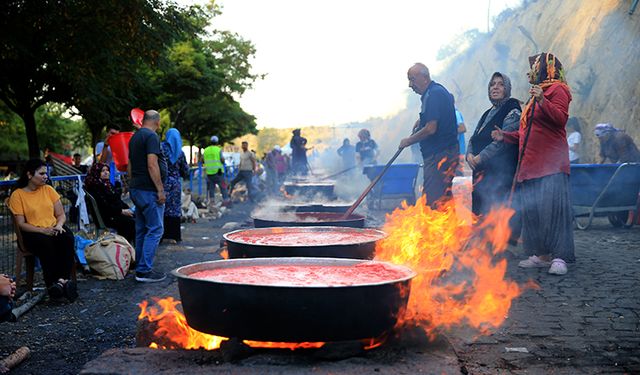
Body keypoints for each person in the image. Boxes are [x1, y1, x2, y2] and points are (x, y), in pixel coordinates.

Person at [491, 52, 575, 275]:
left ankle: (559, 257)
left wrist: (542, 100)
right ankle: (541, 255)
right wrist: (505, 136)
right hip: (530, 166)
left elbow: (560, 119)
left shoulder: (558, 89)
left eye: (534, 66)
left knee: (553, 211)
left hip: (551, 165)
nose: (530, 71)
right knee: (534, 213)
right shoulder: (534, 95)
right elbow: (525, 133)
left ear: (546, 68)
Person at [7, 159, 78, 301]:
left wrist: (59, 226)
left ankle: (62, 281)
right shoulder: (18, 195)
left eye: (46, 173)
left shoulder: (49, 190)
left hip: (53, 227)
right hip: (32, 232)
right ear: (29, 175)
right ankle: (53, 284)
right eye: (42, 173)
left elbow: (61, 215)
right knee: (46, 243)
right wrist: (42, 231)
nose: (46, 176)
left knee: (67, 237)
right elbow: (21, 224)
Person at [400, 63, 459, 208]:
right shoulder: (436, 91)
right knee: (443, 200)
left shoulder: (433, 94)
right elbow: (438, 116)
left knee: (433, 201)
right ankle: (448, 230)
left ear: (424, 77)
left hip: (439, 155)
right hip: (446, 153)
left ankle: (435, 231)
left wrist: (408, 141)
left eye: (412, 79)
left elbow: (431, 129)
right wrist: (422, 119)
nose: (410, 85)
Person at [466, 72, 522, 217]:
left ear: (507, 89)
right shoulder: (487, 113)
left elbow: (503, 141)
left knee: (496, 217)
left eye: (501, 84)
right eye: (492, 84)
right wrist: (469, 155)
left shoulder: (513, 110)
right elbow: (474, 138)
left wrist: (480, 157)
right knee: (480, 215)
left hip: (500, 175)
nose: (495, 88)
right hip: (481, 174)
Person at [128, 110, 167, 282]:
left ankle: (140, 268)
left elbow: (129, 164)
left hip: (137, 188)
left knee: (142, 230)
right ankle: (144, 271)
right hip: (149, 190)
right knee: (156, 229)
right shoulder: (151, 137)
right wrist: (159, 189)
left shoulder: (134, 137)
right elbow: (152, 164)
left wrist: (132, 183)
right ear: (157, 122)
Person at [84, 163, 136, 245]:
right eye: (102, 171)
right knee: (130, 223)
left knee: (136, 218)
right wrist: (121, 211)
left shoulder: (107, 184)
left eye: (107, 170)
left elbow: (117, 200)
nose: (106, 172)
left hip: (115, 213)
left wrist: (128, 209)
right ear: (97, 173)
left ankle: (132, 249)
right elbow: (104, 206)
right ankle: (123, 247)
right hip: (106, 217)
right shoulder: (95, 187)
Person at [160, 128, 189, 243]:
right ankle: (174, 236)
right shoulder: (180, 152)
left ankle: (161, 235)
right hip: (175, 184)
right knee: (174, 208)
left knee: (162, 207)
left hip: (161, 182)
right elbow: (185, 170)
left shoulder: (161, 148)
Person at [202, 135, 229, 204]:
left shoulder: (206, 150)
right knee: (223, 186)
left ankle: (212, 201)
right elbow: (222, 160)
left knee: (211, 188)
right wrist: (223, 162)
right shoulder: (218, 149)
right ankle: (226, 200)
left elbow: (202, 160)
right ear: (217, 142)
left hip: (209, 173)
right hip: (218, 172)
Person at [453, 97, 467, 175]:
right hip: (456, 151)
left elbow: (462, 128)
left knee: (457, 175)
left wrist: (447, 133)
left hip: (458, 152)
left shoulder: (455, 113)